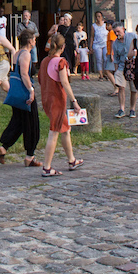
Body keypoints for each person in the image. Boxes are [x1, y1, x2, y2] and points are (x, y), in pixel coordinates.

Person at [0, 27, 41, 167]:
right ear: (30, 41)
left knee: (18, 122)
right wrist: (31, 90)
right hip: (25, 93)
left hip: (16, 93)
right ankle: (29, 156)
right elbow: (24, 74)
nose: (35, 41)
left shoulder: (17, 53)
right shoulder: (26, 54)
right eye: (34, 39)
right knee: (32, 124)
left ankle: (3, 148)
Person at [37, 32, 83, 177]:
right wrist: (74, 101)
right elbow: (65, 82)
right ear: (63, 47)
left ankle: (72, 160)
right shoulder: (61, 62)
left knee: (65, 129)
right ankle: (47, 167)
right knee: (54, 132)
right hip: (57, 99)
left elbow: (40, 79)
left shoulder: (44, 61)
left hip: (46, 99)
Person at [109, 21, 135, 118]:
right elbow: (115, 59)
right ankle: (122, 109)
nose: (117, 34)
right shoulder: (115, 44)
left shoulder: (132, 36)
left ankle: (132, 109)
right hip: (121, 66)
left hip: (132, 66)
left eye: (118, 31)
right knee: (121, 87)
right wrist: (116, 73)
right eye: (115, 32)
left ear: (123, 30)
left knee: (133, 89)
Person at [19, 9, 39, 76]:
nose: (25, 17)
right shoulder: (19, 25)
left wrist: (32, 36)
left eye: (27, 16)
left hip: (32, 44)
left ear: (29, 17)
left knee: (34, 57)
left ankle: (32, 70)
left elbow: (37, 33)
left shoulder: (33, 24)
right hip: (24, 44)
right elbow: (18, 34)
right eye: (24, 16)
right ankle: (25, 70)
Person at [91, 11, 109, 82]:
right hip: (97, 44)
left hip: (105, 43)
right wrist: (91, 46)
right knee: (99, 59)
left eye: (99, 16)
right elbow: (92, 36)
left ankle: (105, 72)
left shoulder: (105, 25)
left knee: (105, 59)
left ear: (102, 17)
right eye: (97, 17)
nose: (98, 18)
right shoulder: (94, 26)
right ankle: (100, 75)